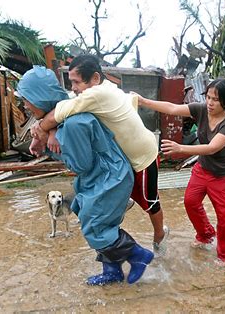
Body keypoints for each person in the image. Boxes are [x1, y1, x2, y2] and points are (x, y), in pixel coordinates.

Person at [18, 65, 154, 285]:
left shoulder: (73, 125)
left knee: (96, 225)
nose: (24, 105)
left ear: (39, 98)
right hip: (103, 175)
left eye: (26, 99)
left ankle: (138, 255)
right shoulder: (67, 118)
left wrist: (50, 147)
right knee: (93, 217)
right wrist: (48, 133)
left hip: (110, 178)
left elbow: (80, 165)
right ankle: (112, 271)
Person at [30, 54, 169, 257]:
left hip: (142, 157)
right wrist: (50, 132)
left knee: (150, 201)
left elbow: (60, 112)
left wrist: (40, 131)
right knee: (119, 188)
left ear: (95, 78)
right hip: (123, 156)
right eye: (71, 82)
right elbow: (66, 107)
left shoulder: (97, 94)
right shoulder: (103, 90)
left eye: (76, 82)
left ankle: (159, 235)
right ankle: (124, 204)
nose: (74, 88)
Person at [135, 78, 225, 265]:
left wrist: (180, 148)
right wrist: (144, 101)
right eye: (208, 97)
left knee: (224, 217)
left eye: (215, 99)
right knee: (190, 202)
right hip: (203, 169)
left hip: (222, 175)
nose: (210, 102)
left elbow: (212, 148)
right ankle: (205, 235)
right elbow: (172, 108)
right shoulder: (201, 109)